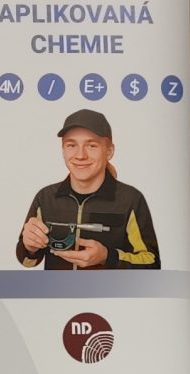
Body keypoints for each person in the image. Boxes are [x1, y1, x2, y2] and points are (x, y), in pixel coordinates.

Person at [14, 108, 159, 270]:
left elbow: (152, 264)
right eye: (71, 145)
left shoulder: (131, 199)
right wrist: (30, 247)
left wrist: (107, 257)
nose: (80, 155)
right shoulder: (45, 198)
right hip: (57, 288)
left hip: (109, 288)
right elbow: (27, 261)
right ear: (63, 150)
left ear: (109, 151)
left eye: (91, 145)